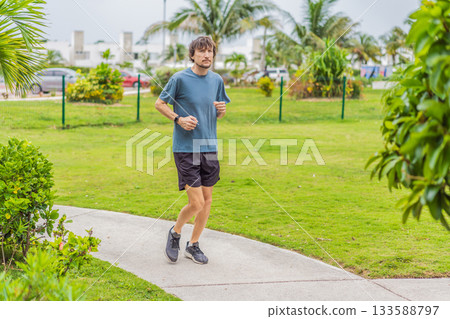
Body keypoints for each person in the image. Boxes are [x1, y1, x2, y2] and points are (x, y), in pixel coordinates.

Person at [155, 36, 231, 265]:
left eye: (210, 52)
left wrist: (221, 110)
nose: (207, 55)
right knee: (196, 202)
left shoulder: (217, 80)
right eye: (202, 51)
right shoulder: (179, 79)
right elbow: (160, 104)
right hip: (185, 148)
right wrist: (178, 119)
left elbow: (217, 111)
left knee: (207, 201)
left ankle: (194, 244)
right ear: (192, 55)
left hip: (209, 146)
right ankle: (176, 232)